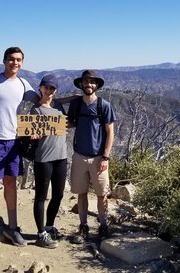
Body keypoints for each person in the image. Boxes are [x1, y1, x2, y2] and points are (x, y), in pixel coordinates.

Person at [0, 47, 37, 251]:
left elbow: (43, 101)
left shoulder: (24, 84)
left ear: (22, 62)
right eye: (11, 59)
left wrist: (71, 99)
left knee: (11, 184)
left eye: (19, 60)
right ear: (4, 60)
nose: (15, 63)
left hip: (13, 140)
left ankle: (12, 228)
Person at [67, 70, 116, 243]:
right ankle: (83, 226)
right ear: (81, 84)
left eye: (92, 82)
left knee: (102, 194)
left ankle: (103, 226)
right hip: (79, 155)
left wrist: (105, 157)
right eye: (86, 82)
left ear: (96, 85)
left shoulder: (104, 105)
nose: (89, 84)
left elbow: (110, 132)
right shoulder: (76, 104)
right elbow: (70, 122)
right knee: (81, 193)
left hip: (98, 157)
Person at [29, 74, 68, 249]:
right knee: (41, 196)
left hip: (61, 156)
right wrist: (33, 136)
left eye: (52, 88)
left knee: (58, 194)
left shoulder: (59, 107)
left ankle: (50, 226)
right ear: (40, 88)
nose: (48, 90)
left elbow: (65, 124)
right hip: (44, 158)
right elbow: (30, 133)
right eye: (46, 87)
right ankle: (40, 234)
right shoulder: (35, 110)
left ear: (55, 90)